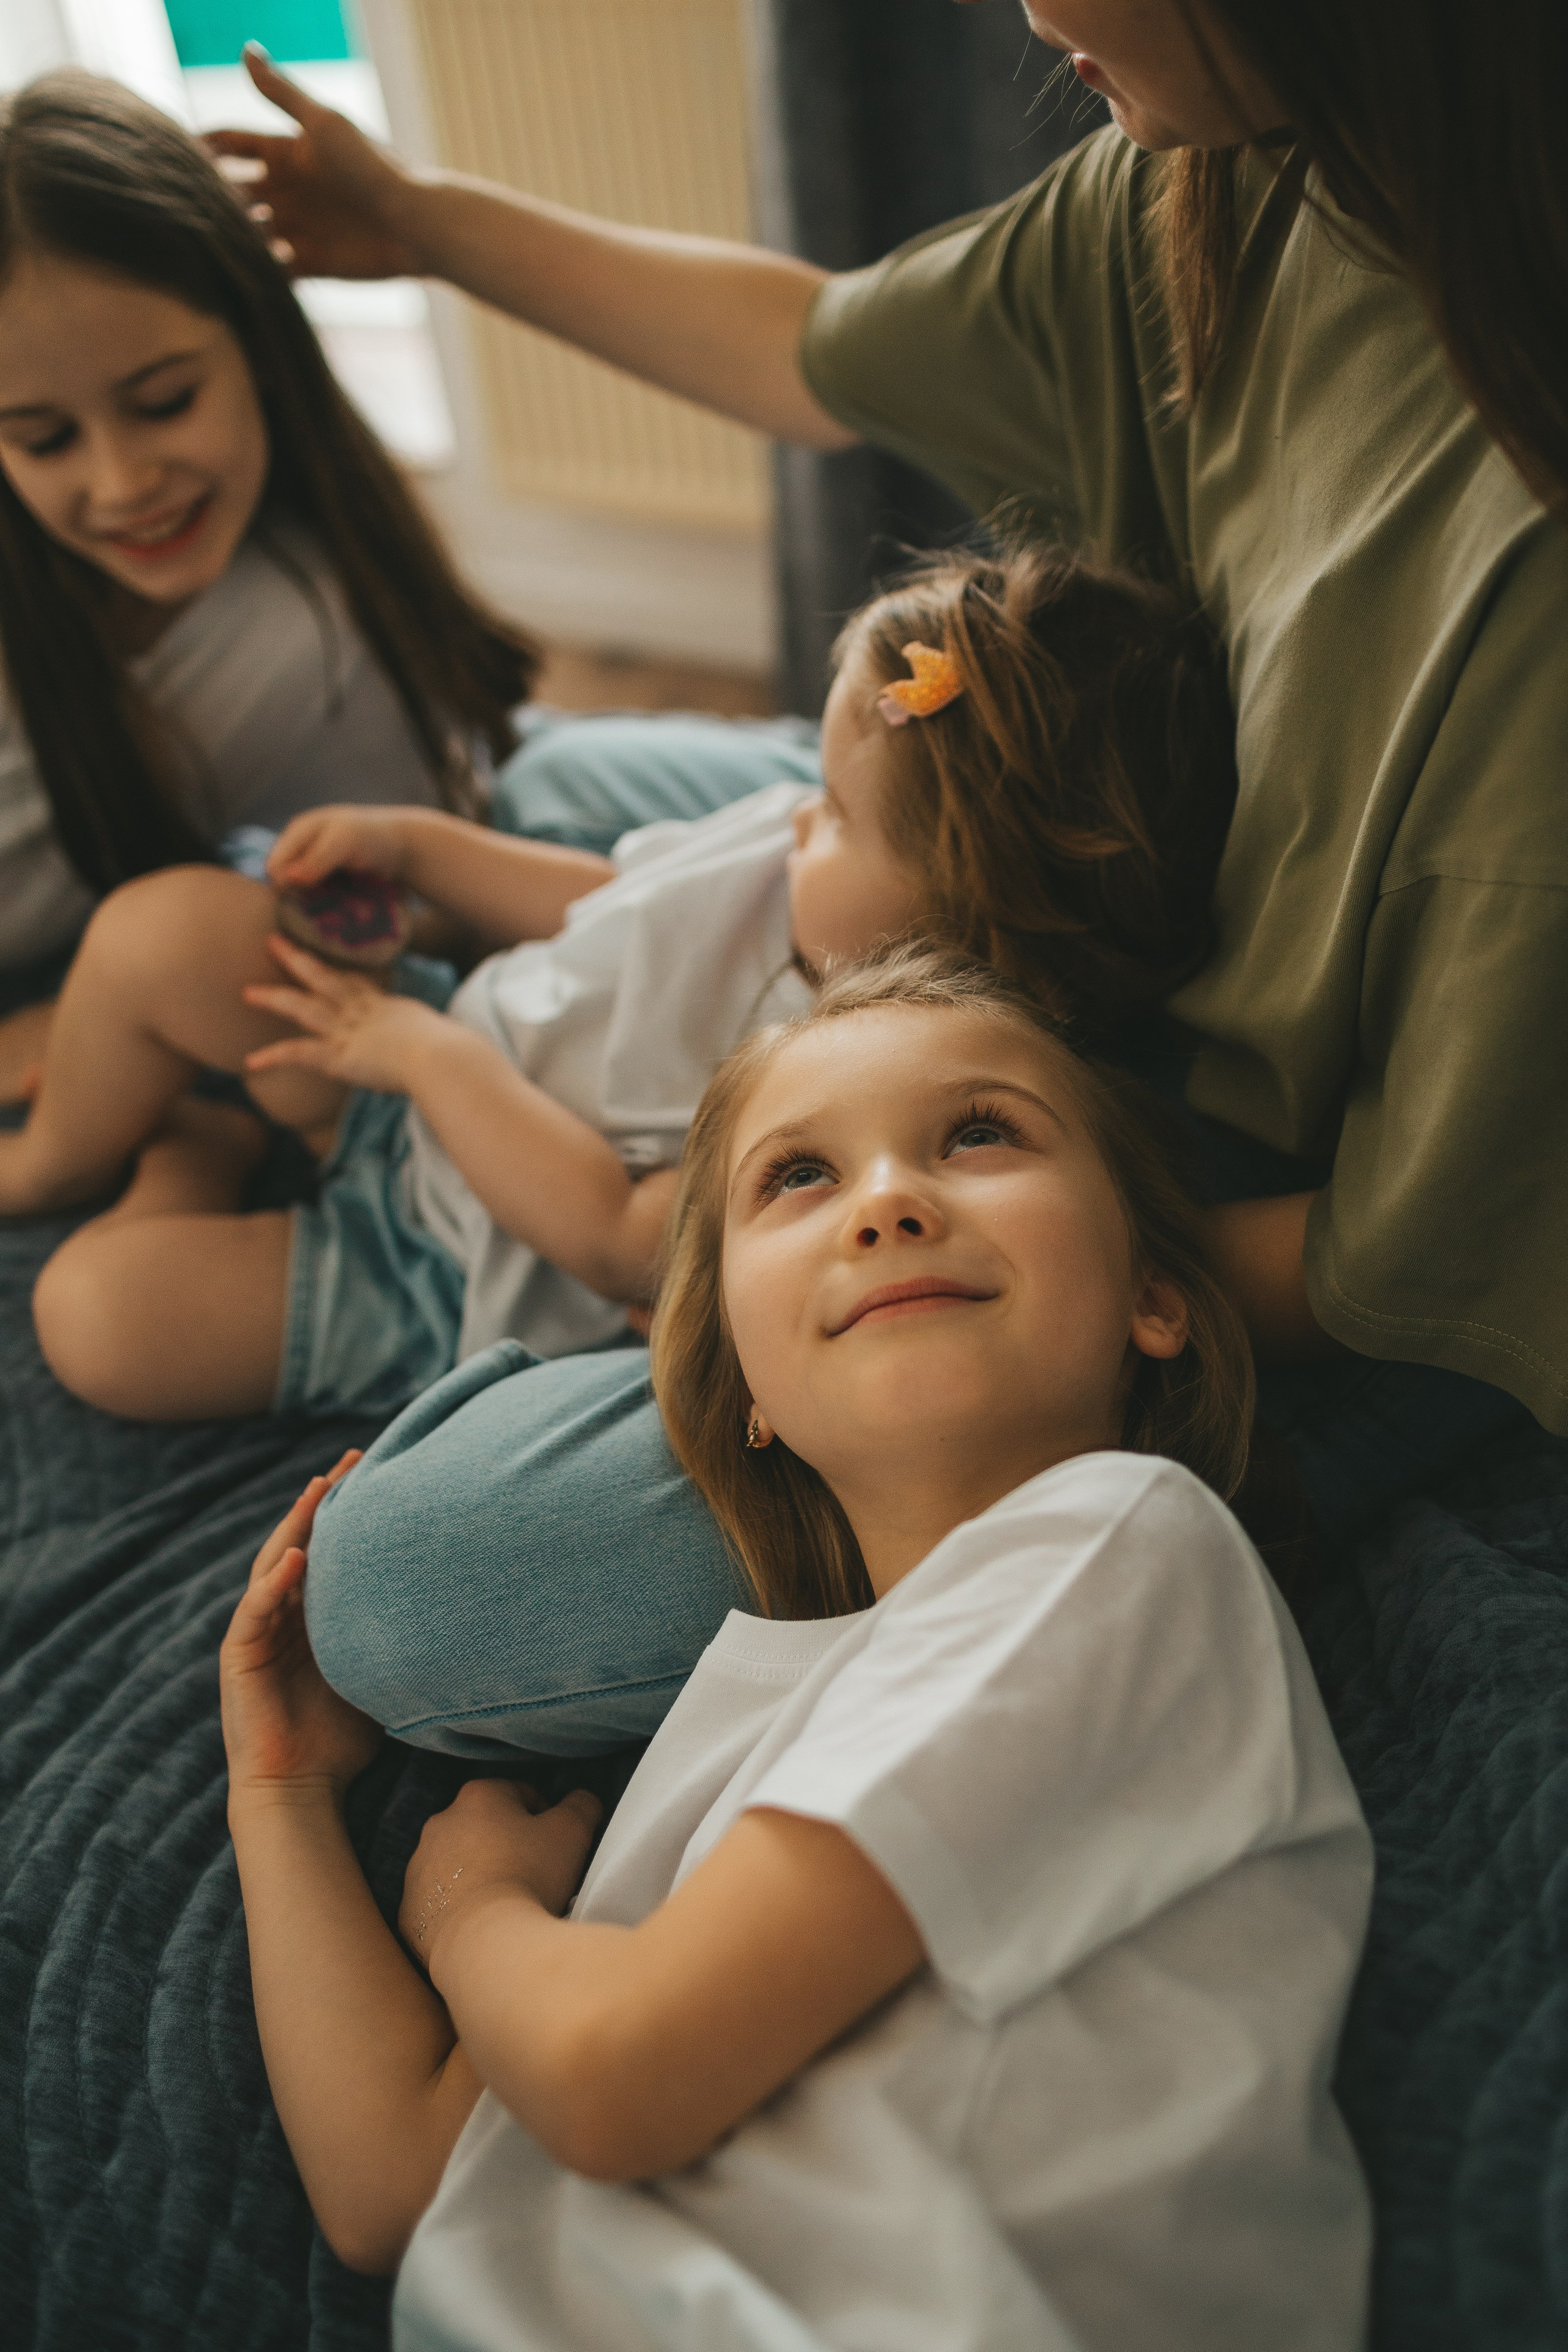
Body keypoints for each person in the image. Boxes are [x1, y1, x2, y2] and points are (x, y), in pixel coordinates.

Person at [211, 12, 1568, 1543]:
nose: (1030, 13)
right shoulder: (1216, 156)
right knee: (579, 778)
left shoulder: (1522, 623)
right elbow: (814, 343)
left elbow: (1398, 1261)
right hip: (1039, 899)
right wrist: (409, 220)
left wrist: (997, 1229)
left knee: (408, 1565)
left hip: (1304, 1244)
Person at [220, 951, 1373, 2351]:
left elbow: (605, 2075)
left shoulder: (1123, 1545)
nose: (889, 1201)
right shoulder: (740, 1711)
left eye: (978, 1133)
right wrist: (276, 1794)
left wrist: (469, 1914)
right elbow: (401, 2188)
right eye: (797, 1178)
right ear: (744, 1388)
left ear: (1154, 1299)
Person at [0, 543, 1237, 1422]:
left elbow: (614, 1240)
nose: (797, 818)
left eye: (842, 821)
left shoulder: (855, 1096)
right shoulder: (793, 846)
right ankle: (55, 1156)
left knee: (98, 1318)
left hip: (438, 1261)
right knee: (163, 930)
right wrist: (422, 852)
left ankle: (193, 1159)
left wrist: (423, 1059)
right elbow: (608, 901)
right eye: (817, 783)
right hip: (415, 1048)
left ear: (976, 948)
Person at [0, 70, 535, 1081]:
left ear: (260, 345)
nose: (121, 485)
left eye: (164, 402)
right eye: (42, 439)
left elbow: (420, 915)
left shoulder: (308, 629)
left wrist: (85, 1015)